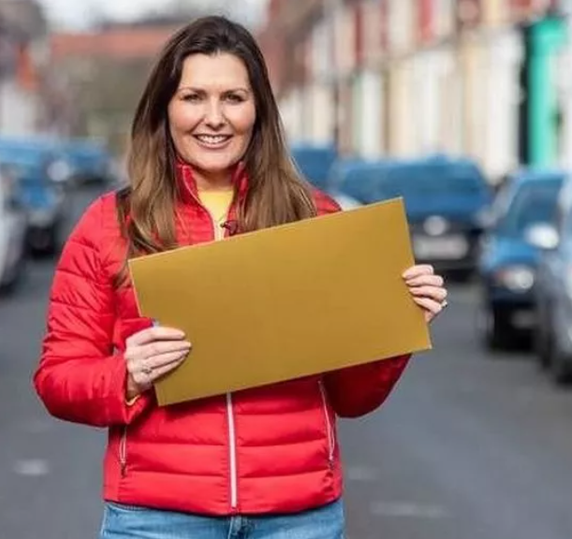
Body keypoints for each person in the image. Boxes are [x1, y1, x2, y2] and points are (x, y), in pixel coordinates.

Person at [33, 15, 449, 539]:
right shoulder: (110, 224)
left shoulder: (316, 219)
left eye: (233, 97)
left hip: (297, 516)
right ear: (166, 107)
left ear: (259, 110)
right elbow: (56, 378)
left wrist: (395, 324)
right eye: (193, 97)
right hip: (158, 517)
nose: (214, 118)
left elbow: (352, 397)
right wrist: (128, 376)